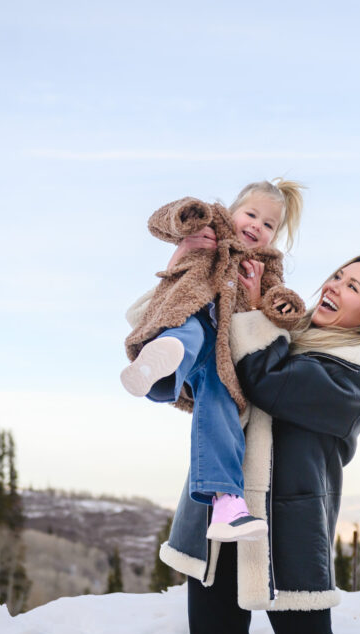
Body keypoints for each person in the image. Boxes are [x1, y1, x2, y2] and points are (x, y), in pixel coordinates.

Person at [159, 255, 360, 634]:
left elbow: (268, 380)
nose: (333, 286)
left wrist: (256, 314)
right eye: (337, 276)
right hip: (221, 516)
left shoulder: (359, 373)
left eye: (353, 287)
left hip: (288, 530)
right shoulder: (287, 331)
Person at [122, 179, 306, 542]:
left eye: (268, 224)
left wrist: (272, 302)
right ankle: (160, 361)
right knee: (188, 332)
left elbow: (277, 302)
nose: (256, 226)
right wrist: (186, 223)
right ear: (232, 210)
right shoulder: (210, 226)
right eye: (251, 214)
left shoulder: (265, 264)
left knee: (223, 399)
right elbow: (161, 222)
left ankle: (228, 504)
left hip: (221, 349)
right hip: (191, 312)